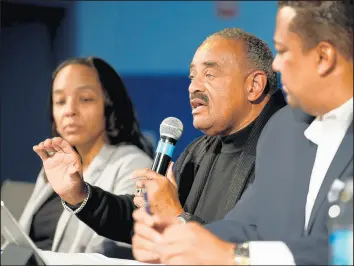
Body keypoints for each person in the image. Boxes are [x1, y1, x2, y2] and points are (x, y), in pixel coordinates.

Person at [132, 1, 353, 265]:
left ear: (323, 57)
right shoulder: (284, 129)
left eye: (282, 51)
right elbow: (246, 225)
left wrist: (236, 257)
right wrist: (173, 241)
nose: (277, 65)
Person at [31, 28, 286, 251]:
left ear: (254, 85)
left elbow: (261, 251)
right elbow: (137, 220)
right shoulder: (200, 152)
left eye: (209, 75)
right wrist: (79, 193)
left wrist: (177, 218)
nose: (193, 87)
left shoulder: (288, 148)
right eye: (192, 76)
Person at [15, 57, 153, 256]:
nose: (69, 111)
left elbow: (122, 243)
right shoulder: (56, 164)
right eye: (60, 101)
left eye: (85, 99)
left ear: (110, 106)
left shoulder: (134, 164)